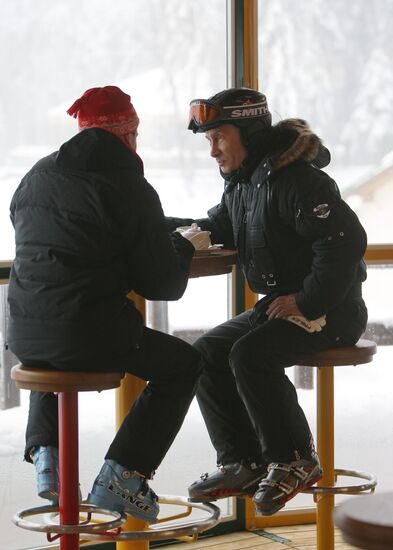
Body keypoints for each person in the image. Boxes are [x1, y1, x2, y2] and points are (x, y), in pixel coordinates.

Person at [166, 87, 368, 516]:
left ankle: (295, 457)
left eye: (218, 138)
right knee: (207, 352)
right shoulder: (246, 184)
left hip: (332, 311)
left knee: (250, 355)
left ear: (249, 131)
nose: (213, 151)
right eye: (208, 141)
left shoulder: (297, 179)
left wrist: (308, 300)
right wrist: (149, 227)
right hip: (283, 307)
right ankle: (244, 460)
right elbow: (215, 226)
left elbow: (345, 241)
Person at [7, 85, 202, 523]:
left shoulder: (36, 175)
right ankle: (124, 475)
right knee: (183, 365)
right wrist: (182, 247)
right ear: (126, 134)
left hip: (21, 330)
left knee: (53, 340)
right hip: (90, 331)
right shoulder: (129, 184)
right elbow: (162, 283)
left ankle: (47, 457)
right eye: (135, 134)